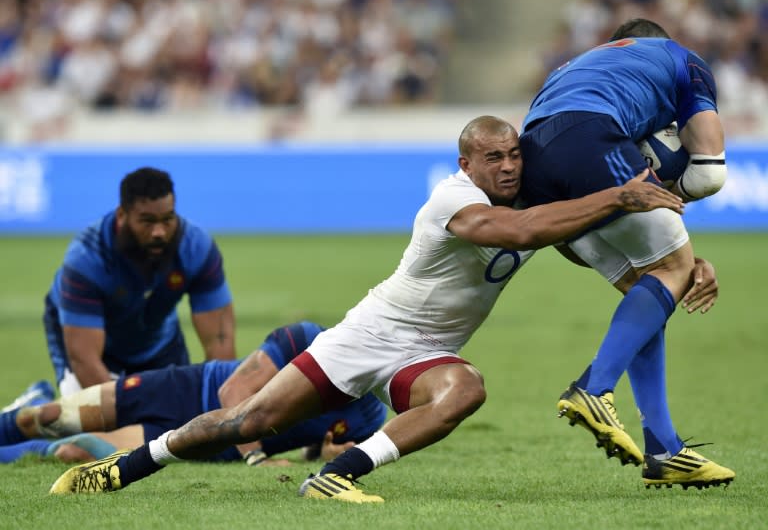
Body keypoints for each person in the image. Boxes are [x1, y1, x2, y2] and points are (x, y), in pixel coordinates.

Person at [49, 115, 689, 502]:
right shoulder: (452, 199)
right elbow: (522, 235)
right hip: (370, 332)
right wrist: (620, 196)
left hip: (429, 352)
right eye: (493, 157)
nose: (508, 166)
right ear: (466, 162)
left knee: (465, 390)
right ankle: (123, 468)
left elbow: (578, 242)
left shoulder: (530, 200)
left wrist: (685, 268)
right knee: (246, 421)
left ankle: (338, 476)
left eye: (515, 154)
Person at [517, 18, 733, 489]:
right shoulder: (681, 58)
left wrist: (675, 254)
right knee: (670, 272)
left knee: (648, 293)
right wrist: (679, 229)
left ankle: (664, 450)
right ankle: (593, 388)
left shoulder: (575, 66)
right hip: (590, 137)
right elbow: (711, 172)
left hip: (537, 163)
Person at [0, 321, 386, 465]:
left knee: (76, 450)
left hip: (208, 443)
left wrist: (323, 452)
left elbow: (310, 446)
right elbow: (233, 389)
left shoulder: (369, 415)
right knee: (47, 419)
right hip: (182, 390)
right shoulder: (306, 339)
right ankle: (31, 405)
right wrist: (255, 460)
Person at [43, 167, 236, 396]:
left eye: (167, 220)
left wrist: (220, 407)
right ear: (122, 215)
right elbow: (86, 361)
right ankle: (35, 403)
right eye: (147, 221)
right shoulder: (87, 260)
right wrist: (124, 413)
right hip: (92, 345)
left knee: (178, 421)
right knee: (93, 425)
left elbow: (220, 342)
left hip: (157, 340)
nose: (159, 232)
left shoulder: (196, 248)